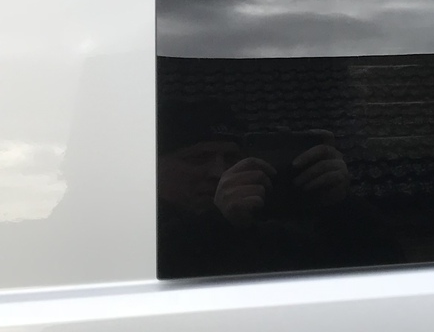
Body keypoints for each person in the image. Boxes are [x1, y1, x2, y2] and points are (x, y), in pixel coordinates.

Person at [157, 99, 401, 279]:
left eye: (231, 158)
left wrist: (339, 208)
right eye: (197, 159)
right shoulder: (144, 237)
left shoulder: (272, 233)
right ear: (155, 166)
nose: (219, 172)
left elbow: (383, 272)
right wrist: (219, 223)